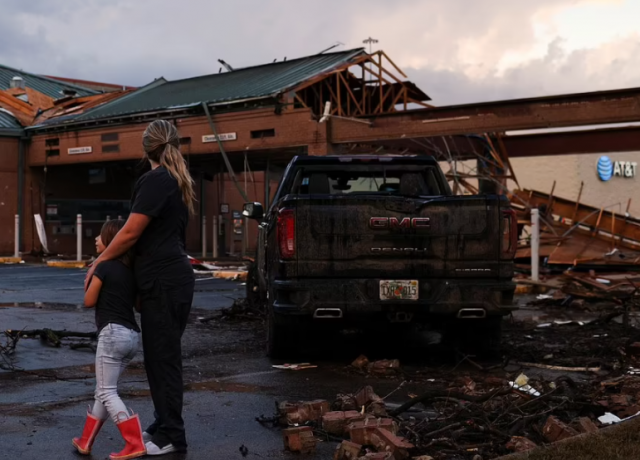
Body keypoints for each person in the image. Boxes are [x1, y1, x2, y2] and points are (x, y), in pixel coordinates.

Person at [85, 119, 196, 456]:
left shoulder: (156, 180)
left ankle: (172, 436)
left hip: (164, 281)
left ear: (146, 147)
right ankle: (163, 424)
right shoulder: (174, 180)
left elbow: (131, 232)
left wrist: (99, 260)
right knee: (160, 358)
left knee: (163, 360)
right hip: (169, 279)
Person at [73, 219, 146, 460]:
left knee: (107, 391)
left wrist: (92, 273)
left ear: (111, 241)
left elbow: (89, 301)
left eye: (100, 236)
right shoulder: (131, 270)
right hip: (132, 337)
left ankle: (134, 443)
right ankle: (85, 441)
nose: (95, 239)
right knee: (102, 390)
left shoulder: (104, 267)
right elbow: (138, 304)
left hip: (112, 334)